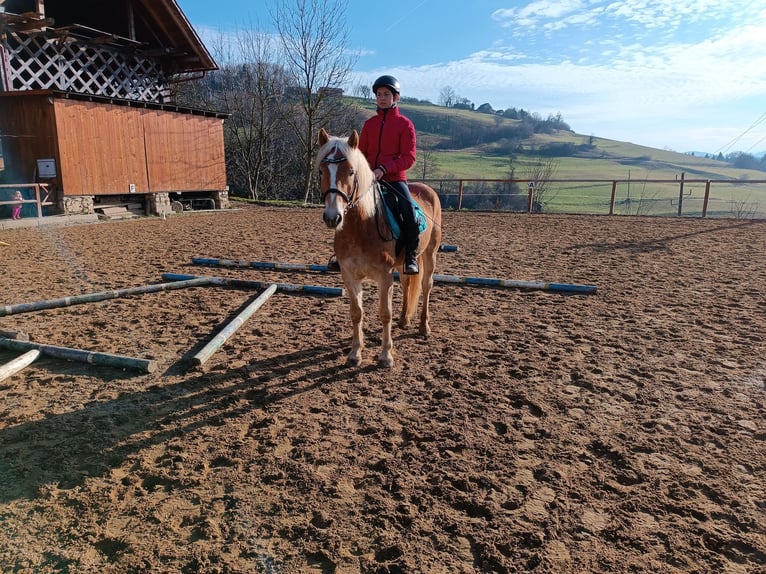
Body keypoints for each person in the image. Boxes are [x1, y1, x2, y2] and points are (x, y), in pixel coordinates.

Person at [328, 75, 421, 275]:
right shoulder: (370, 124)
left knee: (409, 214)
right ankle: (341, 254)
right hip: (368, 179)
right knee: (348, 209)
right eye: (379, 94)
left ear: (396, 97)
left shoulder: (405, 125)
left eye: (386, 94)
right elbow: (363, 155)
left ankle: (411, 256)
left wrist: (384, 169)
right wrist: (366, 171)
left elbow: (409, 157)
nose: (382, 98)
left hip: (395, 179)